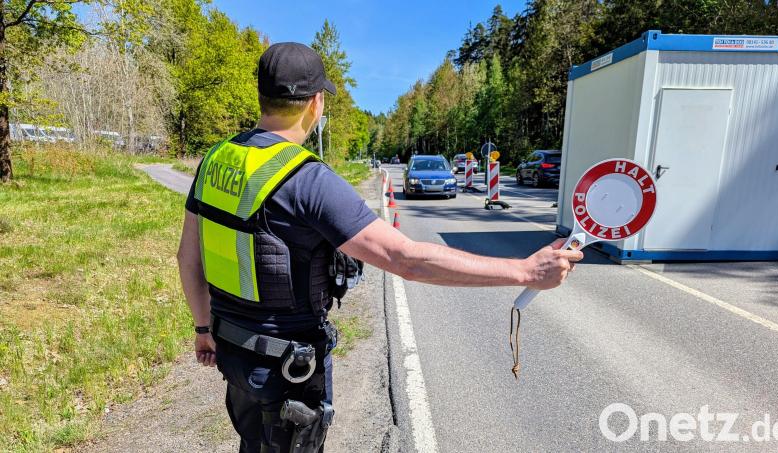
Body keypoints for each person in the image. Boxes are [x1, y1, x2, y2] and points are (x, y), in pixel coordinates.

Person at [176, 42, 583, 453]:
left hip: (233, 352)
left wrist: (203, 327)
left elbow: (187, 257)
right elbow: (405, 259)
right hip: (287, 369)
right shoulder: (307, 180)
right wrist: (525, 272)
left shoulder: (215, 160)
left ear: (262, 97)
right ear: (315, 104)